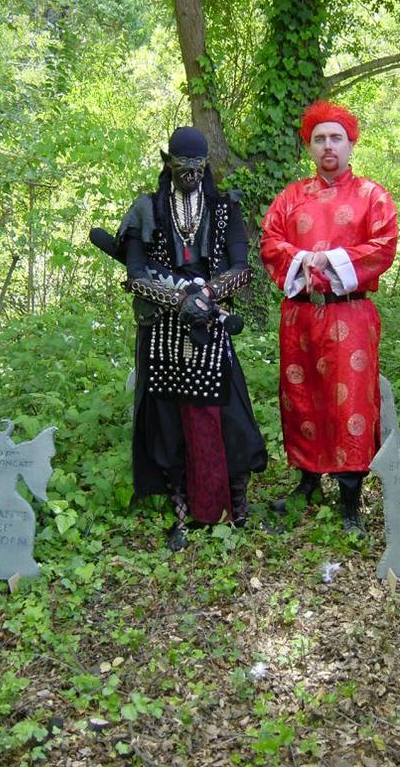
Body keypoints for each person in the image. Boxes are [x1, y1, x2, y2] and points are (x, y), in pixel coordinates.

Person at [97, 126, 267, 551]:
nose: (190, 172)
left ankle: (237, 509)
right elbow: (136, 275)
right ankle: (180, 513)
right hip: (161, 330)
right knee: (167, 423)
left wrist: (206, 296)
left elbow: (241, 268)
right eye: (181, 164)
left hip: (211, 323)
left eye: (196, 164)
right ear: (167, 163)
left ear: (206, 164)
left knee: (231, 416)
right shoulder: (147, 208)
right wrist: (178, 300)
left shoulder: (225, 207)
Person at [260, 100, 398, 536]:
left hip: (350, 313)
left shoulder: (372, 196)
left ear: (350, 143)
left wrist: (331, 259)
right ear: (309, 146)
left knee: (350, 402)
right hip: (300, 314)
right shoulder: (290, 197)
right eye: (319, 139)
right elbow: (270, 242)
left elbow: (383, 247)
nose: (328, 146)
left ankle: (350, 499)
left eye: (336, 138)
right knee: (301, 397)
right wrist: (302, 258)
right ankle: (308, 483)